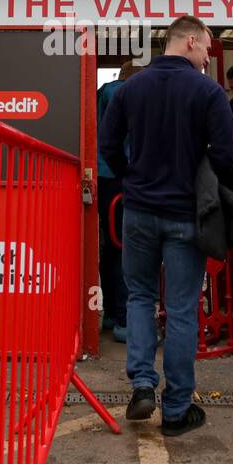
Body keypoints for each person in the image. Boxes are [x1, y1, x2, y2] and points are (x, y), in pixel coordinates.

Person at [98, 15, 233, 436]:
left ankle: (142, 384)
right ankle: (176, 408)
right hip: (185, 216)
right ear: (190, 40)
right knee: (180, 310)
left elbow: (107, 146)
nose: (208, 54)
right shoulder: (209, 91)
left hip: (138, 210)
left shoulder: (131, 89)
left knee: (140, 297)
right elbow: (227, 159)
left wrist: (131, 179)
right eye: (207, 45)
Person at [95, 59, 136, 342]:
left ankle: (111, 313)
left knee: (110, 248)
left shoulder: (103, 92)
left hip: (101, 175)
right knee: (126, 248)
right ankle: (124, 320)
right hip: (123, 176)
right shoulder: (129, 94)